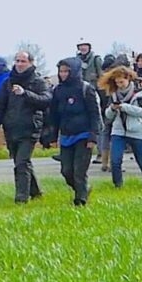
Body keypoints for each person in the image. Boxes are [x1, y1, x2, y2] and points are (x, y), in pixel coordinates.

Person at [0, 51, 51, 203]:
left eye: (23, 61)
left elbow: (46, 100)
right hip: (11, 129)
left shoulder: (37, 82)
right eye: (17, 61)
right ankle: (36, 193)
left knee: (22, 163)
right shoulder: (8, 82)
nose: (20, 64)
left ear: (31, 63)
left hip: (30, 128)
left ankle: (21, 199)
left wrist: (25, 94)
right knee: (21, 162)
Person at [43, 58, 102, 206]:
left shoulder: (86, 89)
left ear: (74, 71)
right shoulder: (58, 90)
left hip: (84, 135)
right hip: (66, 136)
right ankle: (82, 190)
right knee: (66, 171)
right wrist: (52, 136)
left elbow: (94, 114)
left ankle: (80, 201)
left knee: (79, 171)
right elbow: (54, 115)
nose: (63, 74)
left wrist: (93, 136)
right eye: (61, 71)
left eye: (66, 71)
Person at [98, 65, 142, 189]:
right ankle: (118, 186)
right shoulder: (113, 93)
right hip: (118, 131)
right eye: (117, 82)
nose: (119, 85)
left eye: (122, 82)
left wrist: (125, 107)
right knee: (115, 161)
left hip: (137, 131)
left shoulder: (140, 92)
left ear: (128, 78)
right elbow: (108, 115)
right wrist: (112, 109)